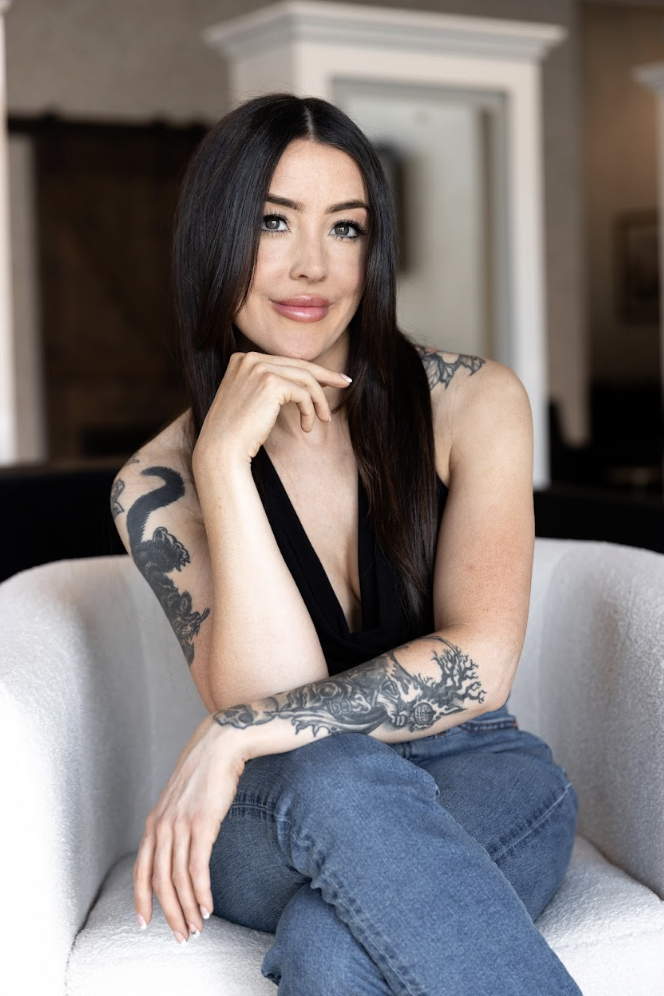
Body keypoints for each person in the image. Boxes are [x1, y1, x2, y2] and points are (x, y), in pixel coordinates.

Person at [111, 92, 582, 995]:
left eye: (346, 227)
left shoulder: (473, 400)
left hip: (475, 765)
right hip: (277, 807)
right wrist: (223, 463)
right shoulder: (155, 484)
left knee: (333, 951)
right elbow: (268, 694)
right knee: (328, 772)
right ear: (214, 236)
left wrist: (234, 731)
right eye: (274, 222)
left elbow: (480, 664)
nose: (313, 266)